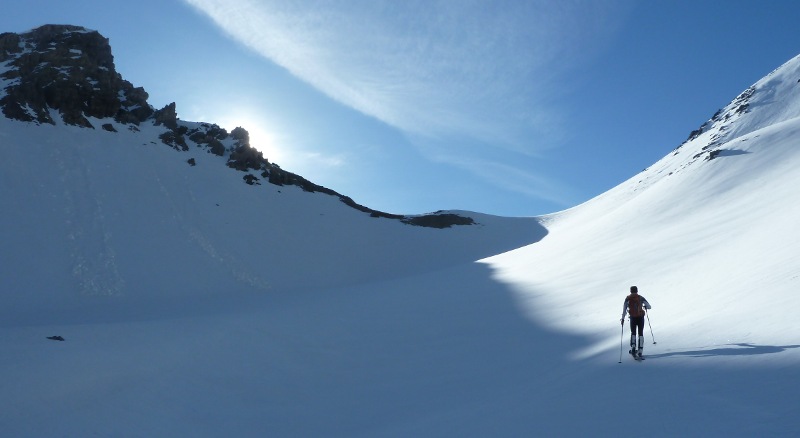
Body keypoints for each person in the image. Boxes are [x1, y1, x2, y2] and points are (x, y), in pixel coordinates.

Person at [621, 286, 651, 358]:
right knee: (640, 332)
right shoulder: (640, 298)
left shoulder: (628, 298)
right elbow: (649, 306)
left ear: (630, 291)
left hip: (632, 318)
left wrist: (622, 319)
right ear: (637, 290)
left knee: (633, 332)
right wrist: (644, 307)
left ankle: (633, 347)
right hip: (640, 317)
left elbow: (624, 310)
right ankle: (640, 350)